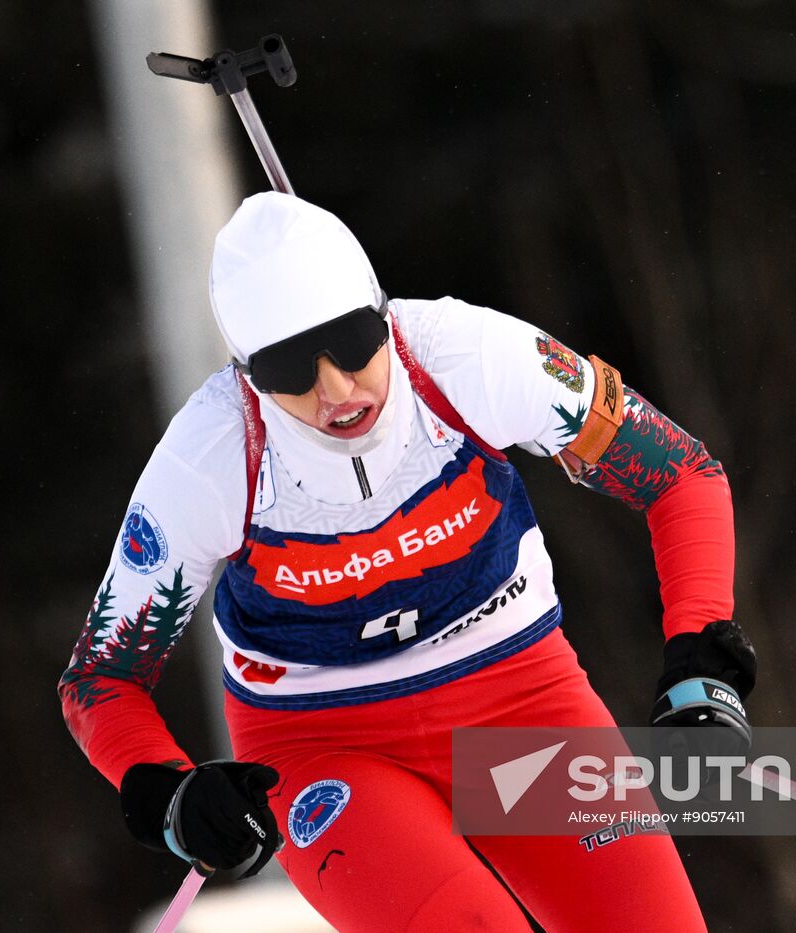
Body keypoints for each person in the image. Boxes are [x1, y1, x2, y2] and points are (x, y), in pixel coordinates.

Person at [59, 192, 756, 931]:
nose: (333, 388)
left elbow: (680, 474)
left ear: (383, 315)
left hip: (521, 704)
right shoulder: (212, 457)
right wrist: (170, 794)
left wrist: (700, 653)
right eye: (290, 367)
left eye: (352, 342)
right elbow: (100, 676)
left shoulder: (469, 357)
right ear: (247, 374)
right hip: (323, 743)